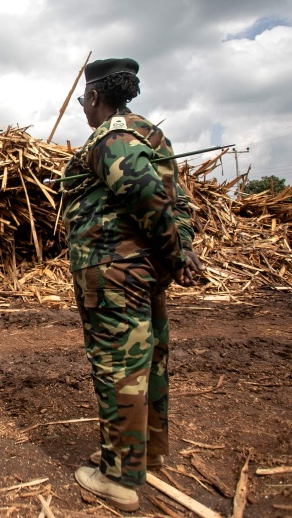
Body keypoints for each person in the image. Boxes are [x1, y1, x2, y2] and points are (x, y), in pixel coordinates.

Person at [59, 57, 203, 511]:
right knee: (150, 362)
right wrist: (177, 250)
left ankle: (118, 479)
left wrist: (177, 253)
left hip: (114, 273)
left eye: (84, 100)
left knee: (119, 369)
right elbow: (179, 205)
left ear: (95, 97)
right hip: (142, 270)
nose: (84, 108)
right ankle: (147, 455)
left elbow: (143, 193)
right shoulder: (150, 135)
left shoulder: (111, 138)